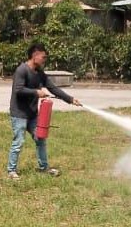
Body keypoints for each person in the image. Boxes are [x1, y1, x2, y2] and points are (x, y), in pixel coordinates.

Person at [7, 42, 82, 180]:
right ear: (35, 55)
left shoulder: (39, 73)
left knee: (41, 138)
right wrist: (36, 92)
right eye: (43, 57)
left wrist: (70, 99)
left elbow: (53, 88)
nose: (44, 60)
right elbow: (18, 90)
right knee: (19, 141)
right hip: (19, 113)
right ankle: (11, 170)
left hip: (32, 114)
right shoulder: (21, 70)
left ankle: (44, 167)